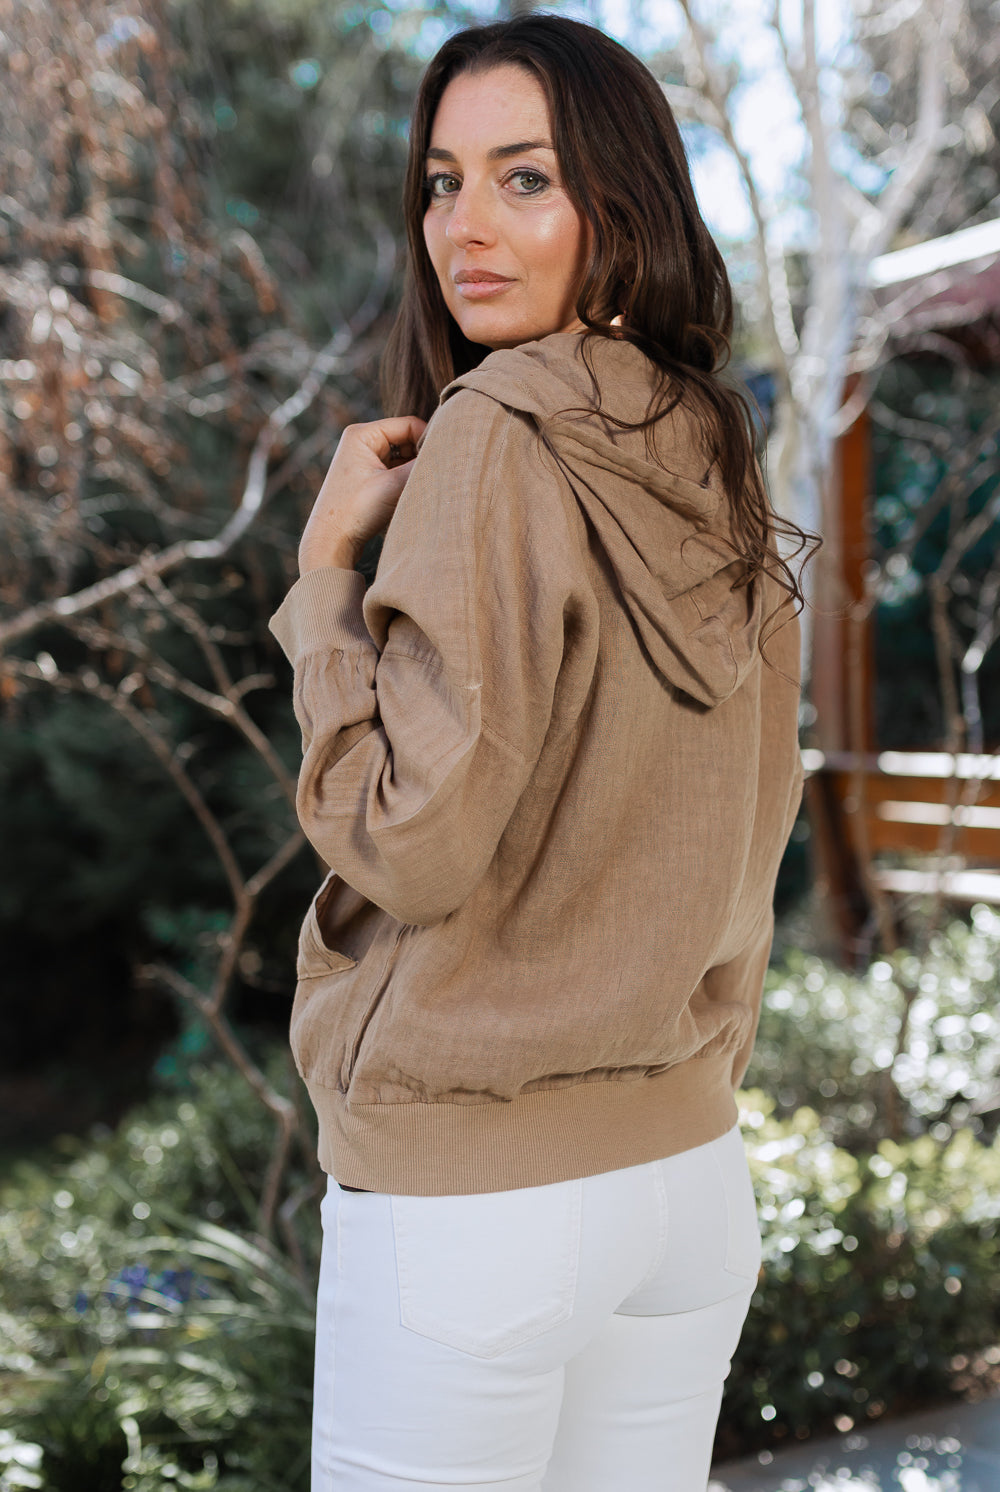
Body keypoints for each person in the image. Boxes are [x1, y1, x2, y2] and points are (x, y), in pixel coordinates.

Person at [267, 15, 816, 1492]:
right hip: (685, 1180)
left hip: (479, 1200)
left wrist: (321, 584)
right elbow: (752, 821)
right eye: (442, 183)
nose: (465, 227)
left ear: (619, 204)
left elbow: (410, 840)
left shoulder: (497, 430)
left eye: (525, 179)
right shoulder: (712, 443)